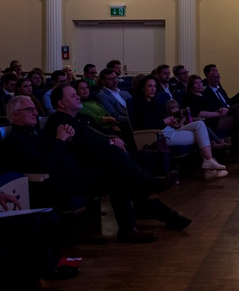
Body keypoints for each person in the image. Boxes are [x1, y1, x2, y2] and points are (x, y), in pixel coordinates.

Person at [34, 87, 190, 241]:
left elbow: (99, 134)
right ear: (61, 103)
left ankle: (148, 195)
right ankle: (145, 202)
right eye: (73, 95)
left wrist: (114, 139)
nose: (78, 97)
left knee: (144, 157)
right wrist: (109, 144)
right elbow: (84, 145)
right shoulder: (58, 122)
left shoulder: (79, 118)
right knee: (118, 174)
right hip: (79, 169)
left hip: (95, 161)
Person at [128, 75, 228, 179]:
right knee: (200, 135)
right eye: (149, 86)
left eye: (154, 86)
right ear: (143, 88)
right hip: (158, 136)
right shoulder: (138, 103)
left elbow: (162, 119)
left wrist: (171, 121)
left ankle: (209, 164)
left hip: (168, 130)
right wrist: (164, 121)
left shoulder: (153, 102)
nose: (153, 89)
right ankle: (210, 167)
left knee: (200, 124)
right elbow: (144, 125)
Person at [185, 74, 239, 163]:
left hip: (216, 117)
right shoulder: (191, 97)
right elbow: (200, 113)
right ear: (191, 85)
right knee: (238, 108)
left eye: (200, 82)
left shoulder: (203, 94)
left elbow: (211, 107)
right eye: (196, 83)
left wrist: (219, 109)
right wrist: (217, 114)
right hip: (209, 122)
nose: (199, 85)